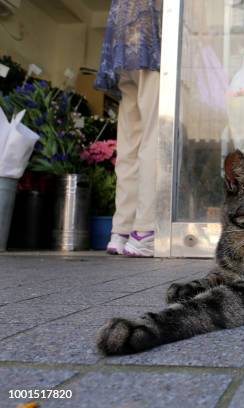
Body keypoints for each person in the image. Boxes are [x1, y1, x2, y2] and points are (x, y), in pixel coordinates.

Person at [95, 0, 163, 257]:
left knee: (129, 144)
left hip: (123, 49)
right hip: (150, 46)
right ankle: (144, 231)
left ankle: (120, 231)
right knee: (152, 139)